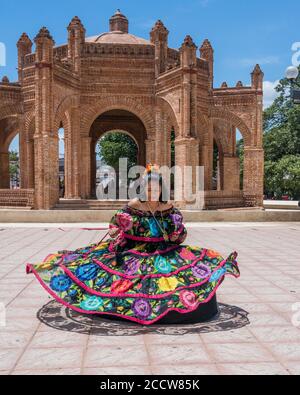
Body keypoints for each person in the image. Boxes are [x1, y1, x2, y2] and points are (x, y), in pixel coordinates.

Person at [26, 164, 240, 326]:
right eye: (147, 189)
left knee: (190, 272)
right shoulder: (133, 205)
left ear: (161, 189)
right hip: (135, 251)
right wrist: (117, 231)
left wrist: (177, 235)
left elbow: (180, 233)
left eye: (155, 189)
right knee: (119, 280)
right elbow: (114, 224)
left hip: (165, 251)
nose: (151, 193)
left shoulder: (169, 207)